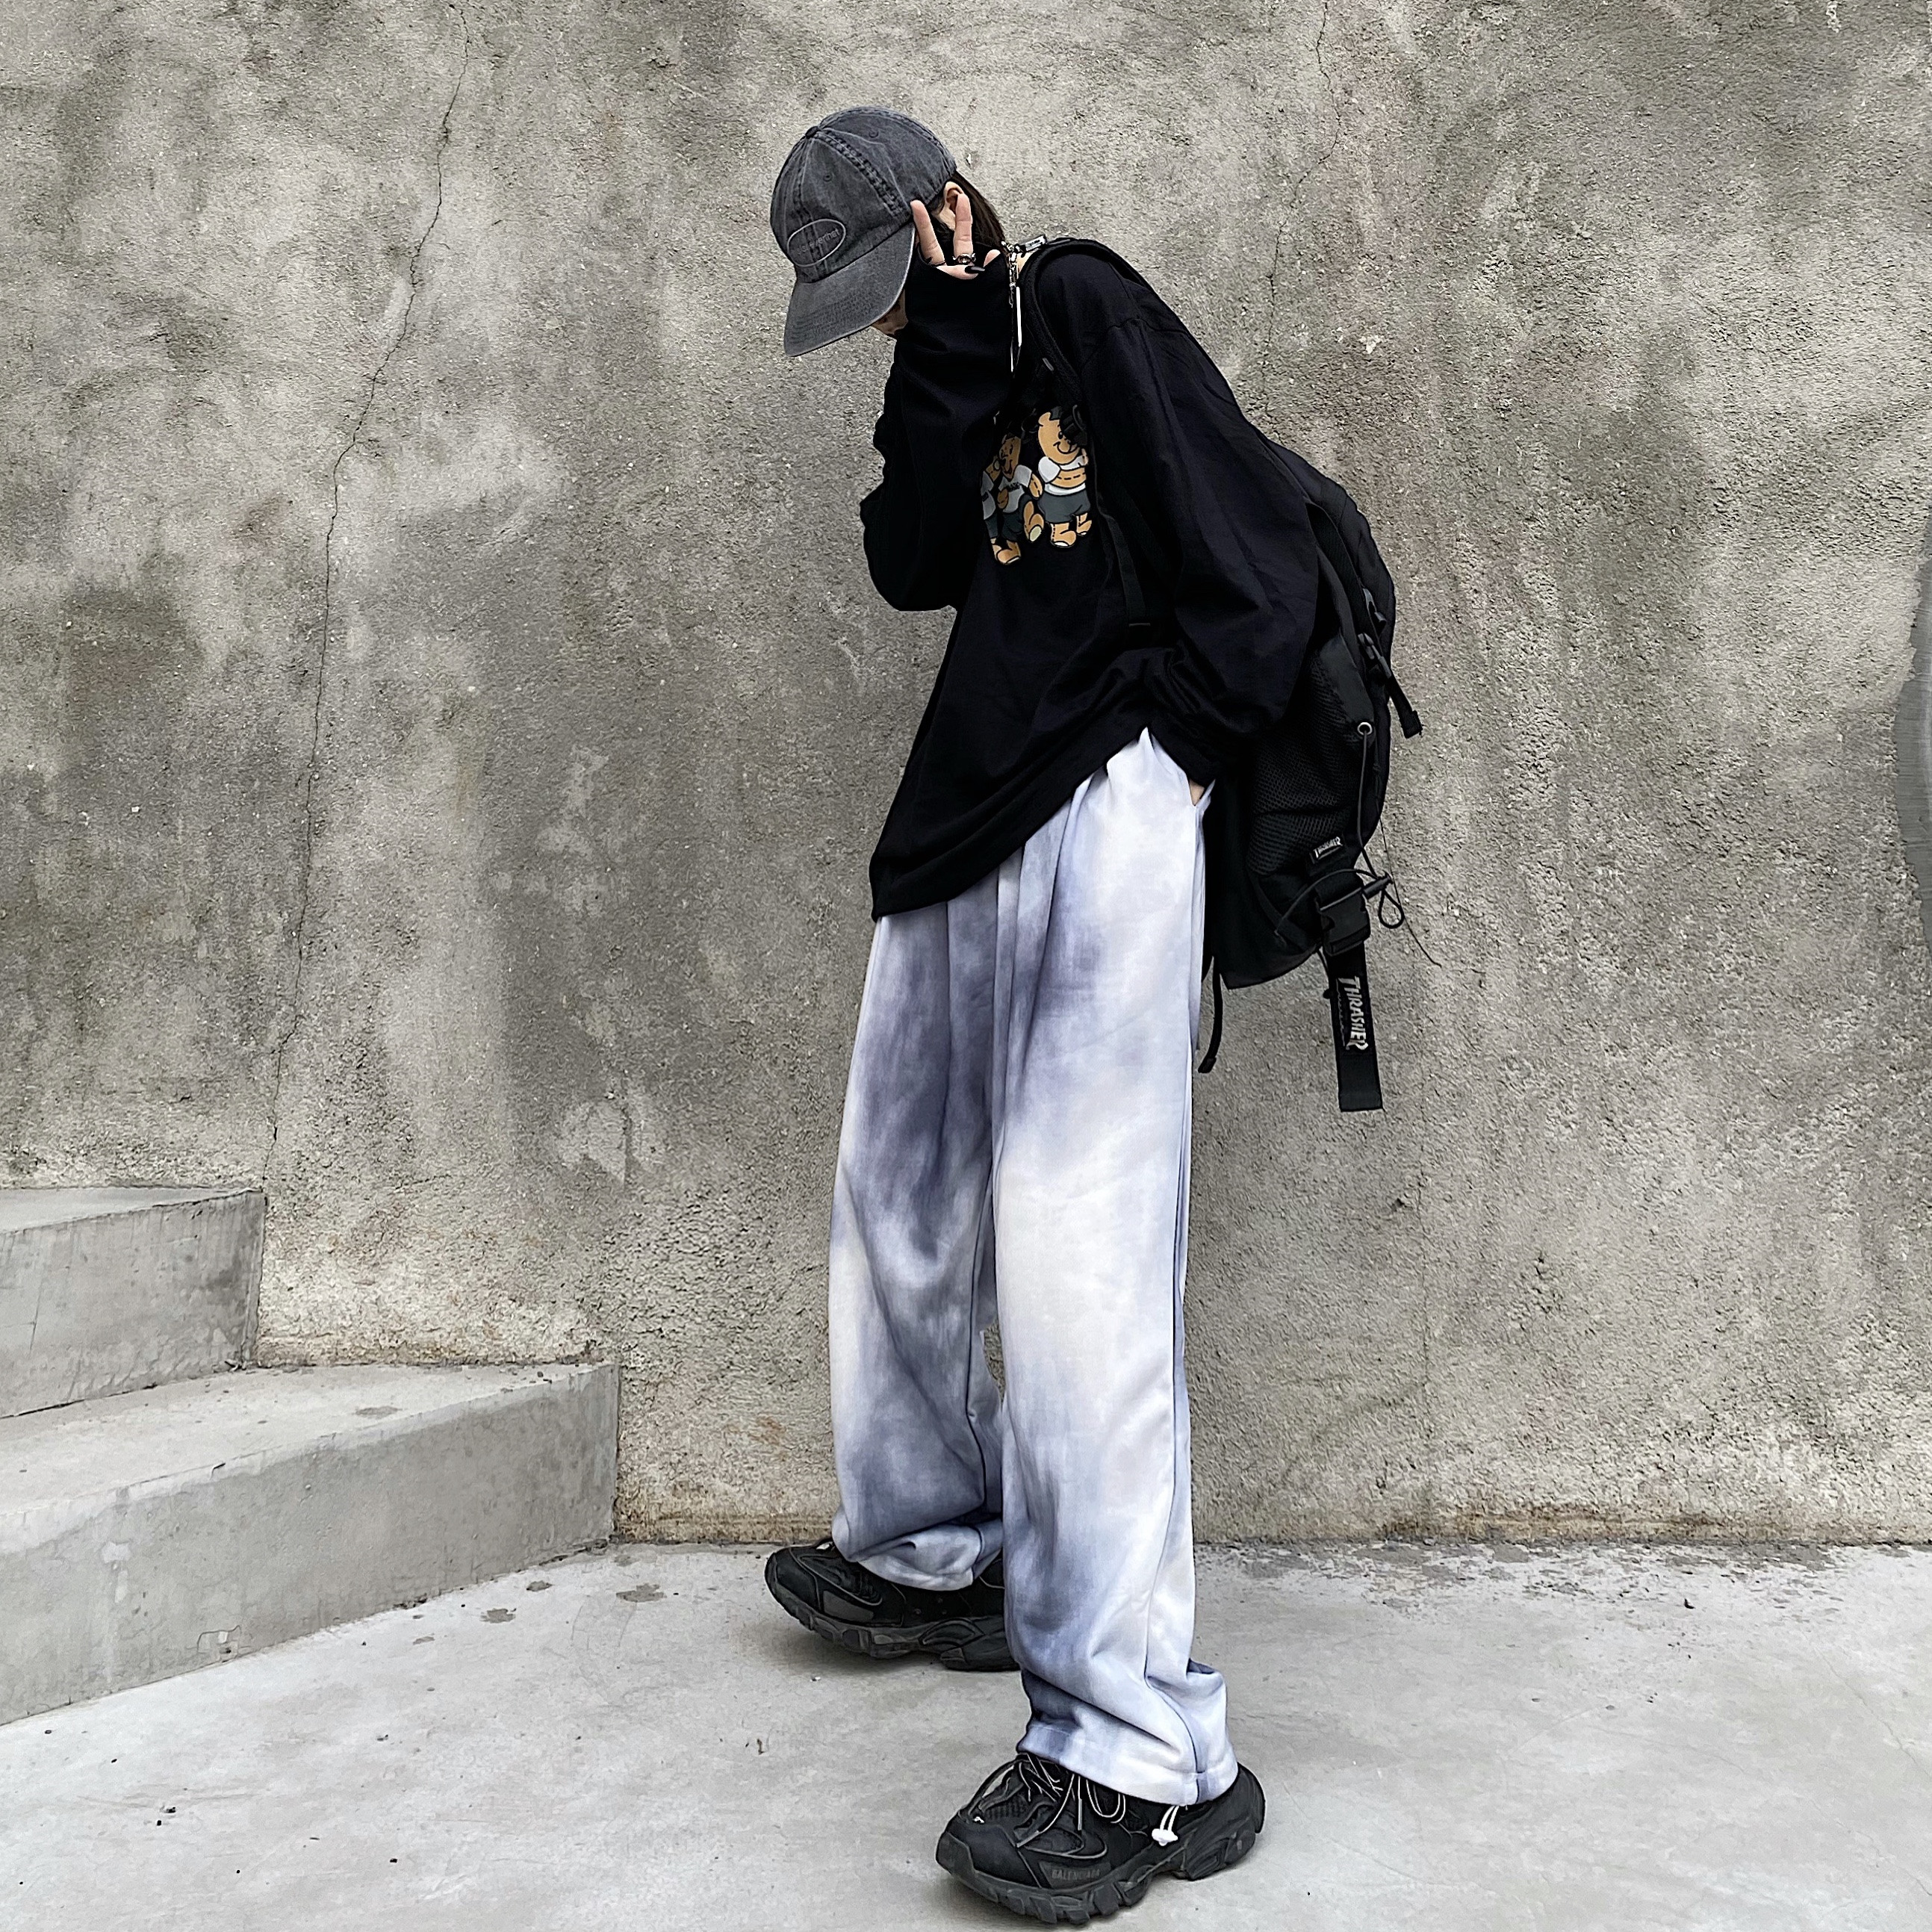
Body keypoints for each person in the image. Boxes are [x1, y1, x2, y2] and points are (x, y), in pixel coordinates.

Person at [762, 105, 1320, 1921]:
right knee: (898, 1201)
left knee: (1079, 1277)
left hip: (1103, 810)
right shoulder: (957, 352)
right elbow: (914, 560)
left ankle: (1143, 1756)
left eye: (884, 273)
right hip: (963, 823)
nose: (872, 308)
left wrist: (1157, 760)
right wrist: (937, 348)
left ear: (944, 210)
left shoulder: (1082, 303)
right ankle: (938, 1547)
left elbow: (1263, 568)